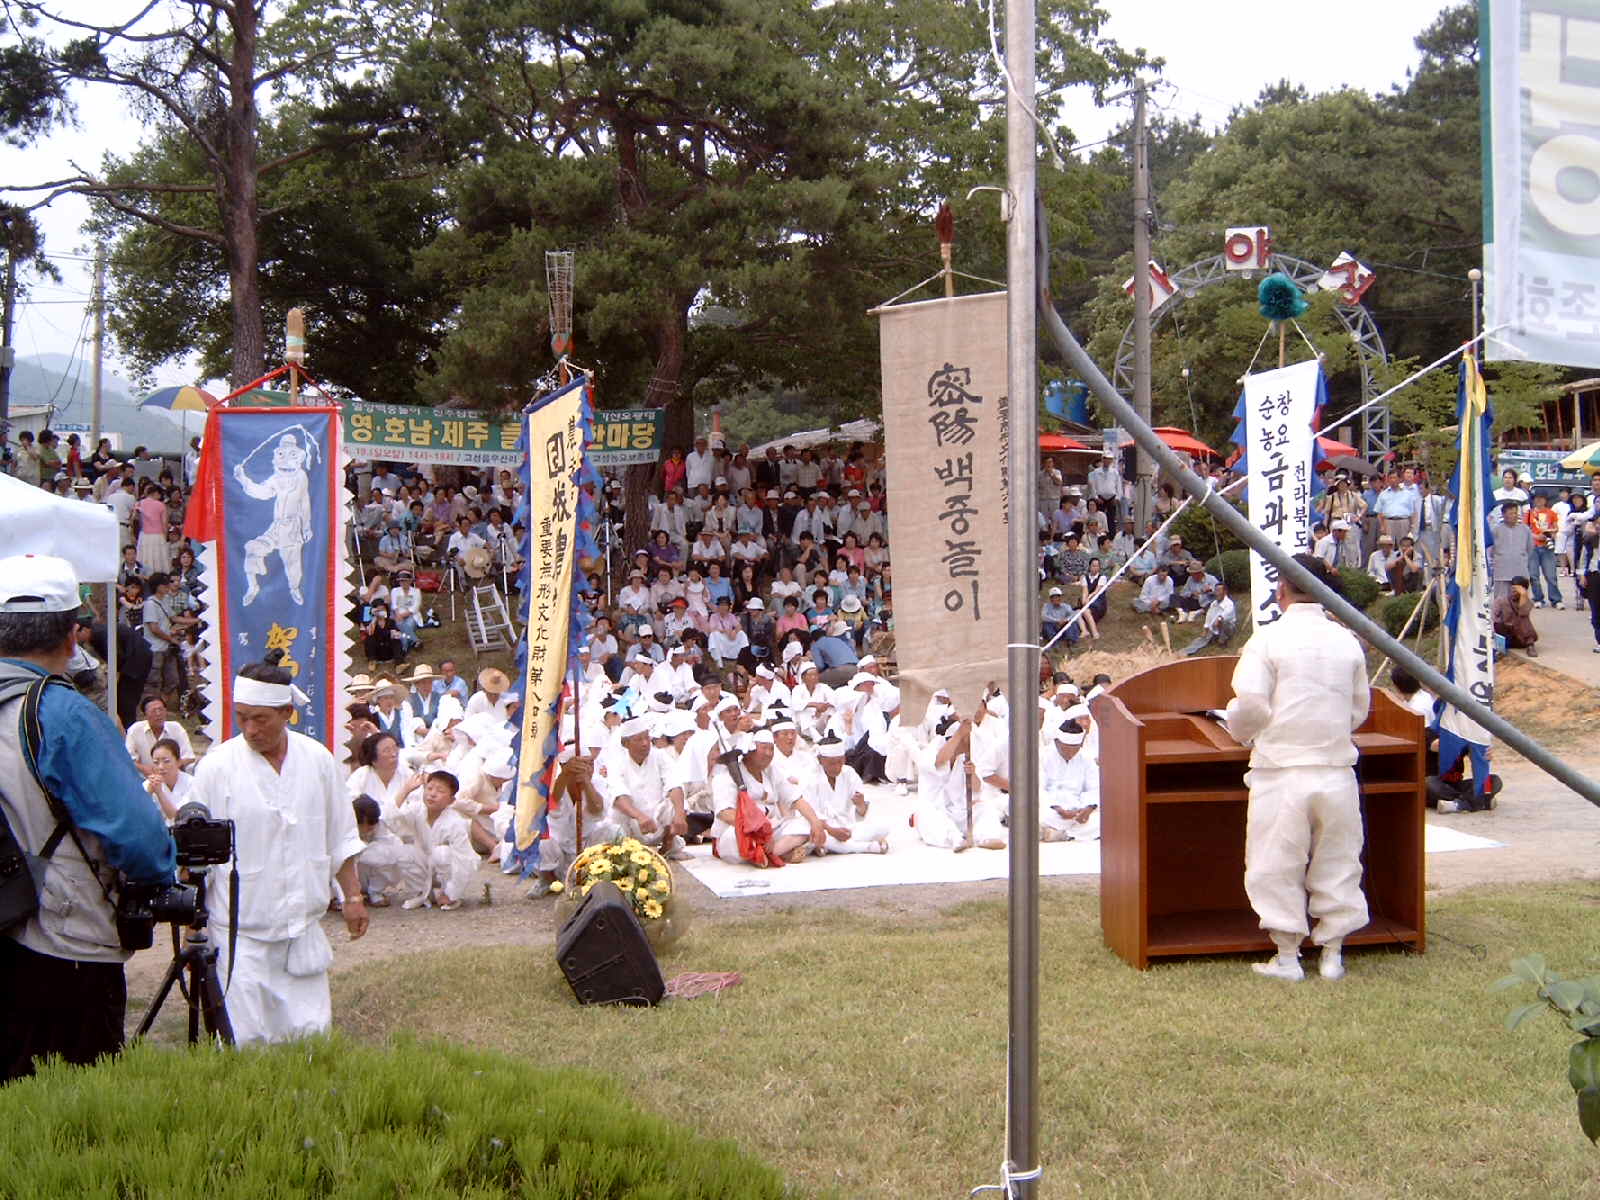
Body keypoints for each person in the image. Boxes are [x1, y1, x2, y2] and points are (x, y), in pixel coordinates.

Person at [0, 554, 176, 1082]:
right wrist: (160, 874)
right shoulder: (63, 712)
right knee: (75, 1103)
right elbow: (139, 835)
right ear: (71, 634)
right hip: (62, 940)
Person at [188, 655, 368, 1044]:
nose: (250, 729)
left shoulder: (317, 760)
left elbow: (340, 834)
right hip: (240, 932)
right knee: (245, 1041)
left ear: (287, 713)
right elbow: (194, 850)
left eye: (260, 719)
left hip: (302, 927)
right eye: (242, 718)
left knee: (310, 1039)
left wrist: (352, 896)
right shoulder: (216, 768)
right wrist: (193, 920)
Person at [1222, 553, 1370, 983]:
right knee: (1339, 859)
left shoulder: (1268, 639)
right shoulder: (1346, 640)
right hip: (1335, 766)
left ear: (1281, 589)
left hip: (1282, 768)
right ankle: (1333, 954)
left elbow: (1251, 703)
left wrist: (1241, 733)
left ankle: (1288, 956)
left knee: (1275, 863)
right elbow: (1358, 710)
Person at [1039, 717, 1098, 841]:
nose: (1070, 753)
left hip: (1078, 808)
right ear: (1057, 742)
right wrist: (1059, 809)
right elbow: (1039, 789)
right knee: (1037, 815)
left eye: (1075, 748)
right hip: (1052, 809)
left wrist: (1087, 809)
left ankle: (1064, 834)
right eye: (1066, 748)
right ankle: (1069, 833)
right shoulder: (1044, 757)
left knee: (1102, 820)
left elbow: (1094, 788)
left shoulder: (1086, 758)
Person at [124, 694, 196, 767]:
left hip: (173, 772)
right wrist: (146, 770)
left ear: (166, 711)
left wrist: (169, 768)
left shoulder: (176, 728)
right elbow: (128, 759)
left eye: (161, 709)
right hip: (145, 773)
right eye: (153, 711)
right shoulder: (135, 730)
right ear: (145, 714)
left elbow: (189, 757)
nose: (158, 714)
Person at [1491, 501, 1534, 601]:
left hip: (1520, 570)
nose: (1514, 516)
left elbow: (1530, 548)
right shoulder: (1496, 530)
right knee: (1501, 600)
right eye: (1511, 513)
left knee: (1520, 599)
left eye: (1515, 513)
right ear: (1503, 515)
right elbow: (1491, 550)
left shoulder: (1525, 529)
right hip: (1502, 570)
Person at [1493, 577, 1539, 656]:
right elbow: (1494, 618)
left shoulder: (1528, 602)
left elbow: (1523, 613)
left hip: (1520, 637)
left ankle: (1530, 645)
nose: (1513, 590)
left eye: (1517, 589)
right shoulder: (1501, 600)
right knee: (1498, 624)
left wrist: (1523, 595)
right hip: (1505, 635)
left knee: (1523, 619)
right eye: (1513, 588)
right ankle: (1499, 649)